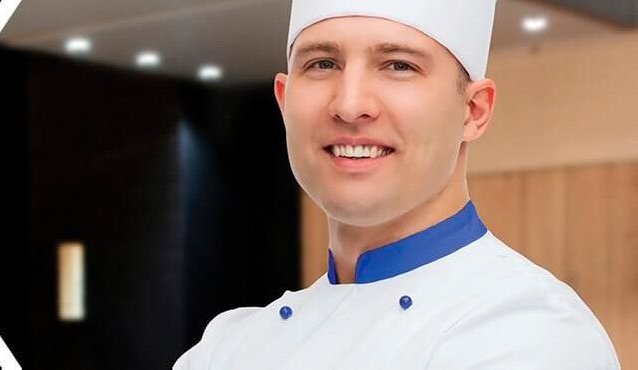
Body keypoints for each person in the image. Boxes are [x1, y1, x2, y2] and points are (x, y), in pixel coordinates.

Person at [173, 0, 619, 368]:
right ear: (285, 102)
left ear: (473, 111)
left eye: (398, 65)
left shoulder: (532, 332)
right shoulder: (227, 348)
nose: (349, 105)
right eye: (323, 63)